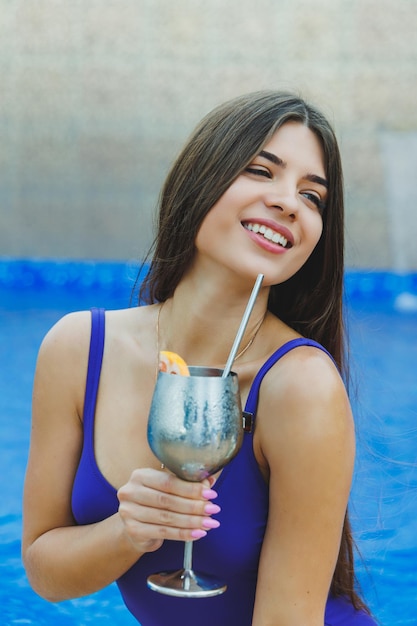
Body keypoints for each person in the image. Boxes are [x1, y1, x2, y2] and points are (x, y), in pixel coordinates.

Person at [22, 90, 377, 625]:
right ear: (202, 176)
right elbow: (46, 572)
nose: (288, 202)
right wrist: (128, 530)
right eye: (262, 171)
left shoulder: (300, 387)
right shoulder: (77, 349)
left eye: (313, 197)